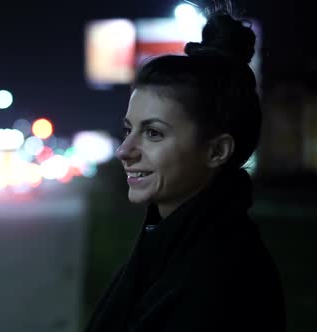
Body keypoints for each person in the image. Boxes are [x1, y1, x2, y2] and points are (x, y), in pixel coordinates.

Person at [84, 9, 286, 332]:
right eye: (128, 130)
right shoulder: (165, 244)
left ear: (217, 150)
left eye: (153, 133)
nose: (124, 151)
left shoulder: (227, 280)